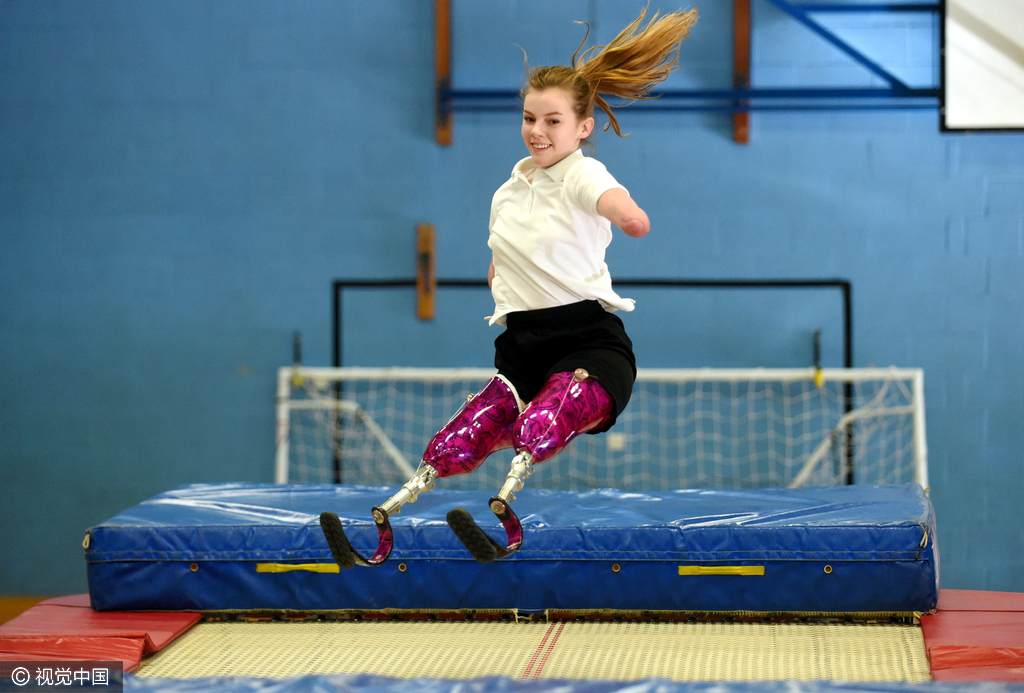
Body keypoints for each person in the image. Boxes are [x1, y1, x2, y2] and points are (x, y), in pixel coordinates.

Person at [321, 6, 698, 568]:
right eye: (529, 119)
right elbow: (504, 259)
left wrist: (628, 215)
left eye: (552, 121)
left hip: (588, 344)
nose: (538, 132)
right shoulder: (509, 190)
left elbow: (614, 203)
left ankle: (507, 508)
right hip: (521, 348)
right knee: (459, 439)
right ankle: (386, 517)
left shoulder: (581, 173)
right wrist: (500, 273)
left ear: (582, 128)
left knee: (541, 424)